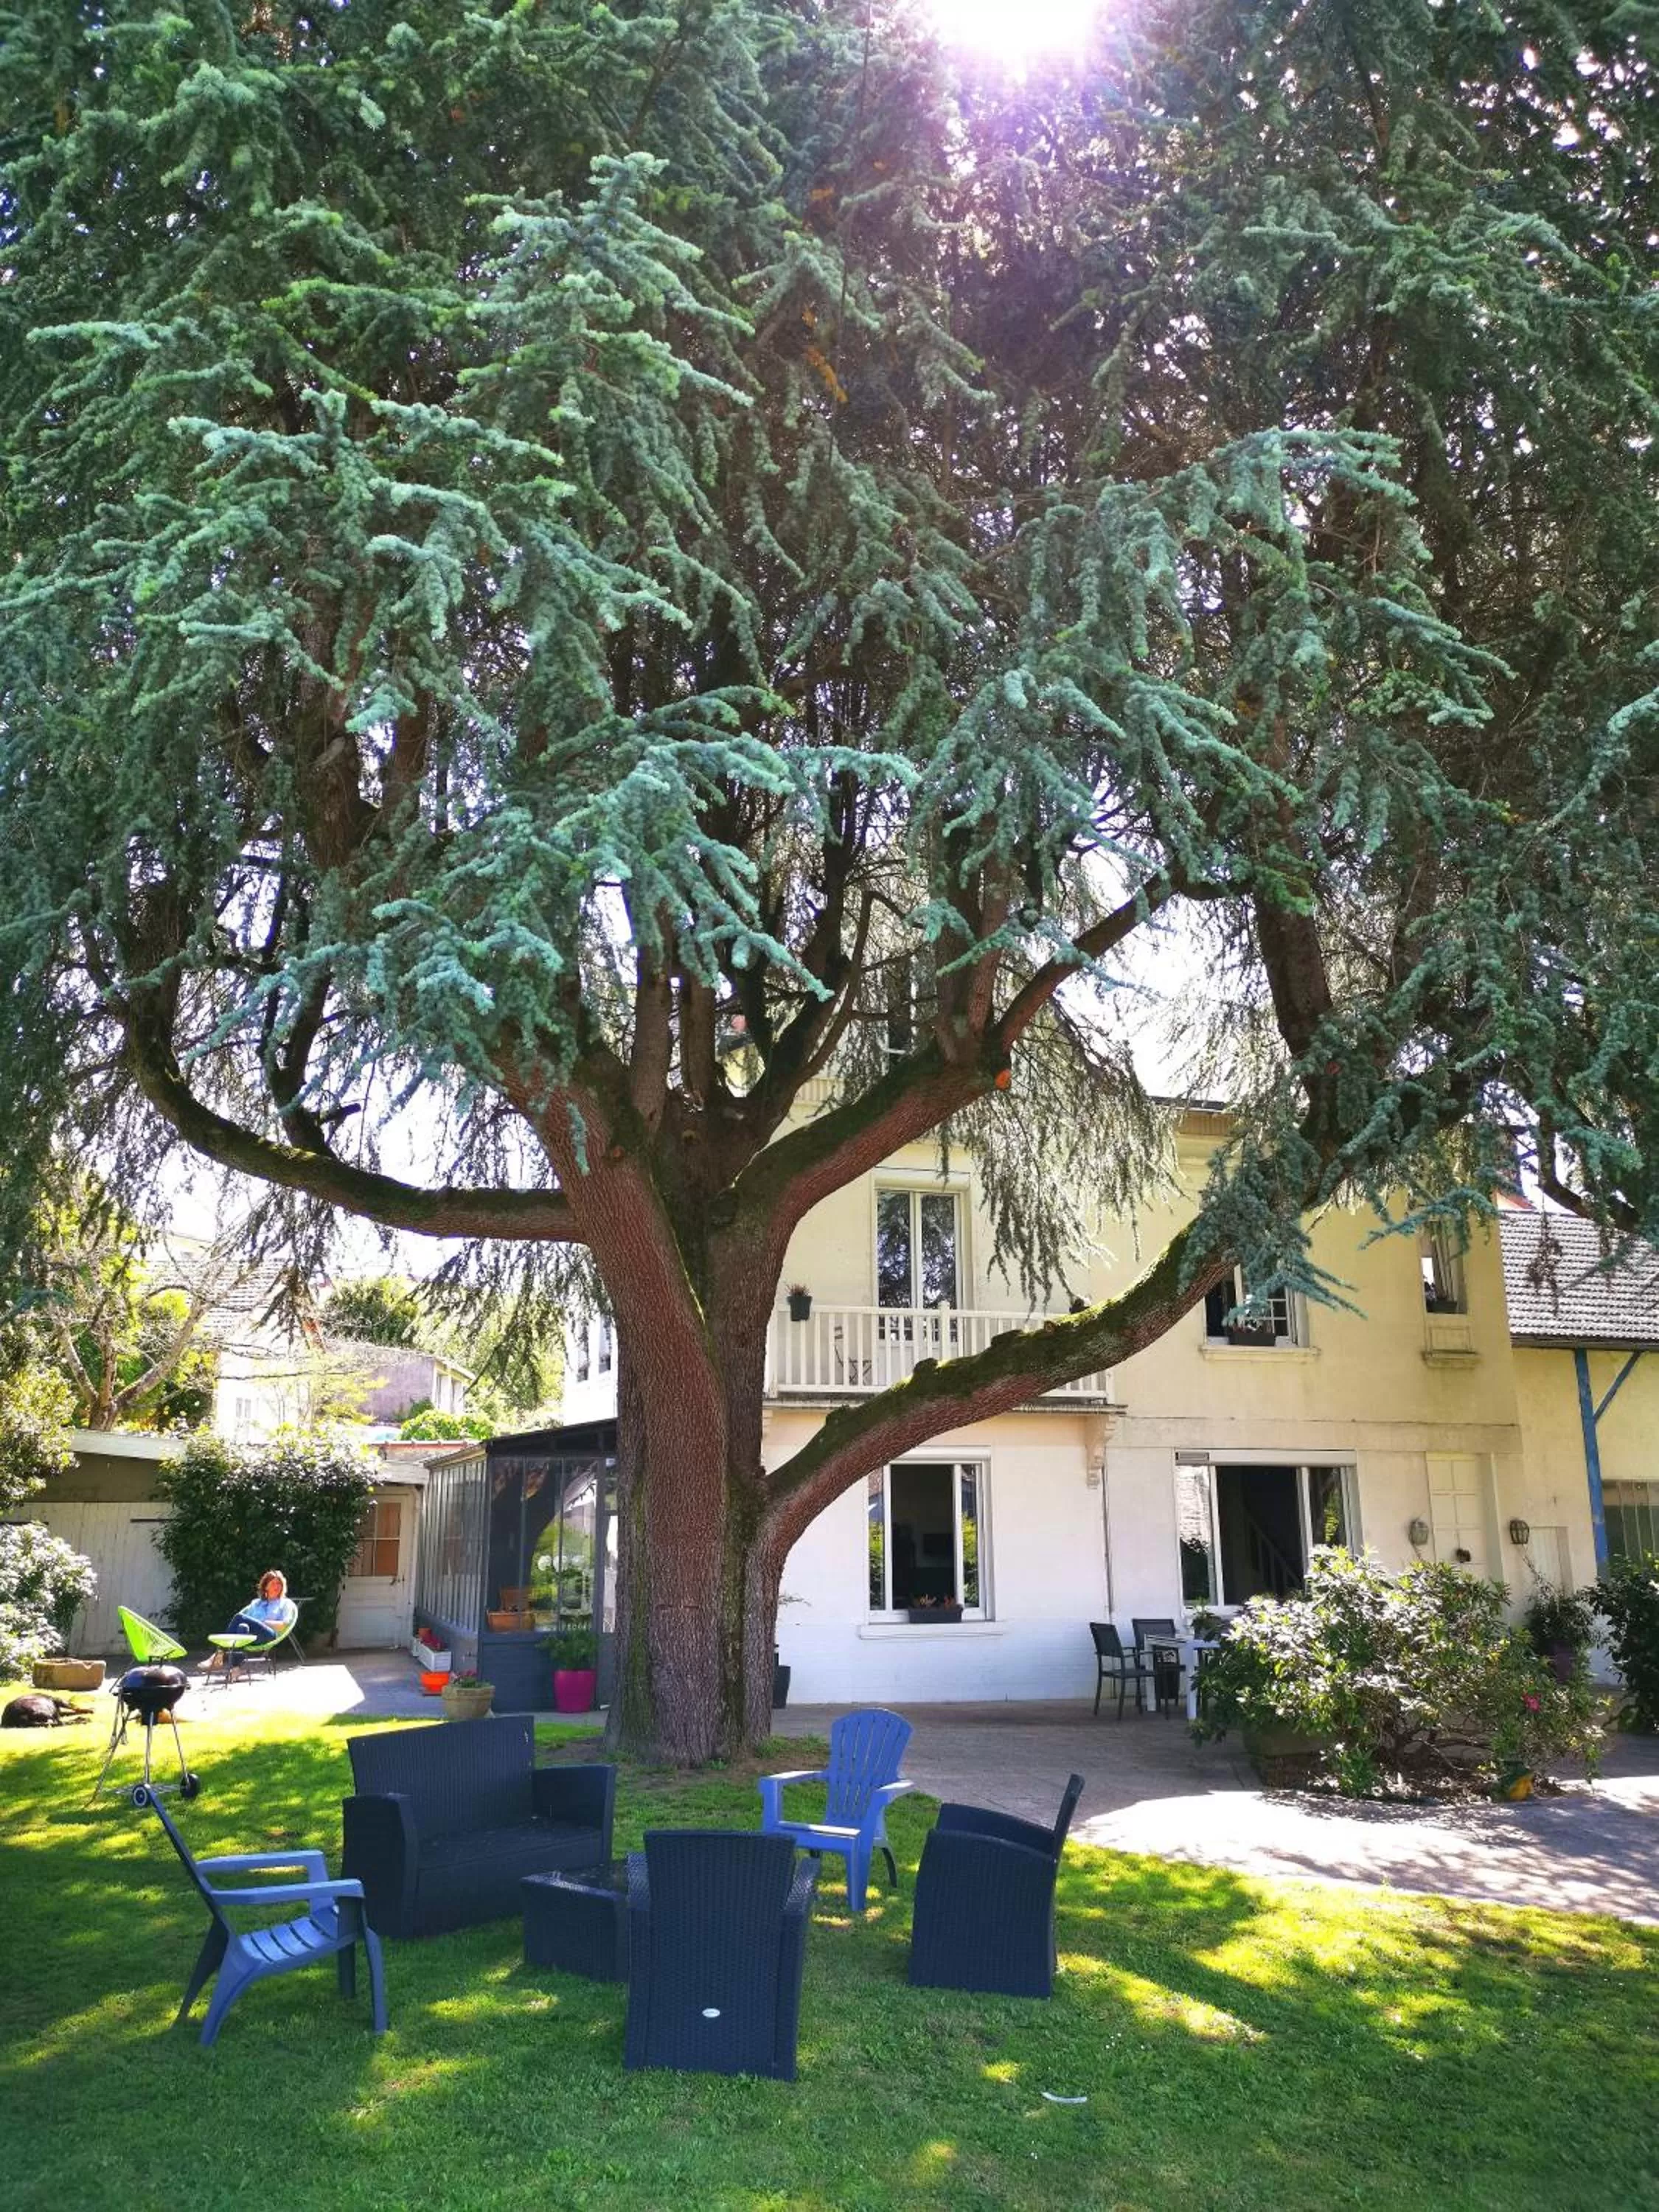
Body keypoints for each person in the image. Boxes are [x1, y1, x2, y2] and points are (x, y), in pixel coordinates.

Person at [201, 1571, 298, 1669]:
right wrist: (252, 1624)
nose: (277, 1586)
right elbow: (248, 1621)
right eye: (273, 1583)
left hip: (268, 1635)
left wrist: (263, 1622)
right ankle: (236, 1669)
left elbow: (284, 1624)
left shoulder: (285, 1603)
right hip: (251, 1636)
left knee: (239, 1617)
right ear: (266, 1587)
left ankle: (218, 1654)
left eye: (279, 1584)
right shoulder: (256, 1604)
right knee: (242, 1627)